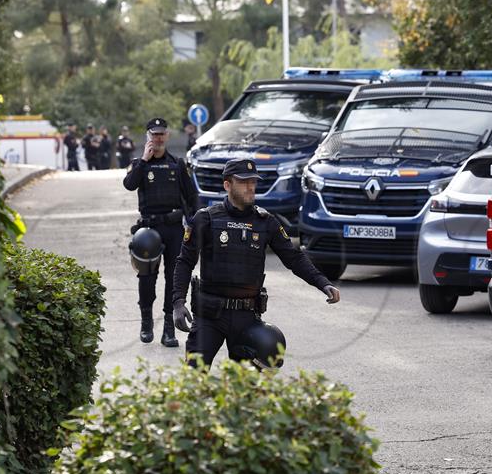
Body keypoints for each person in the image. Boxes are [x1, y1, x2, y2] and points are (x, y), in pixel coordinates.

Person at [171, 158, 341, 367]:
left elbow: (293, 258)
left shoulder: (265, 222)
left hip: (247, 318)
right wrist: (178, 302)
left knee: (249, 388)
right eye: (243, 182)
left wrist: (322, 282)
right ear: (227, 185)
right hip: (210, 316)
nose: (251, 187)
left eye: (253, 181)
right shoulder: (206, 219)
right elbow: (185, 262)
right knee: (194, 378)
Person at [123, 117, 198, 346]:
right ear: (148, 136)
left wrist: (192, 223)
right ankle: (146, 321)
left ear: (167, 136)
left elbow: (191, 196)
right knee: (147, 277)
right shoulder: (139, 163)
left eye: (161, 134)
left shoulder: (177, 163)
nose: (157, 138)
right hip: (148, 229)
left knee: (173, 277)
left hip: (174, 228)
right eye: (153, 134)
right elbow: (129, 184)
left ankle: (169, 328)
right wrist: (144, 161)